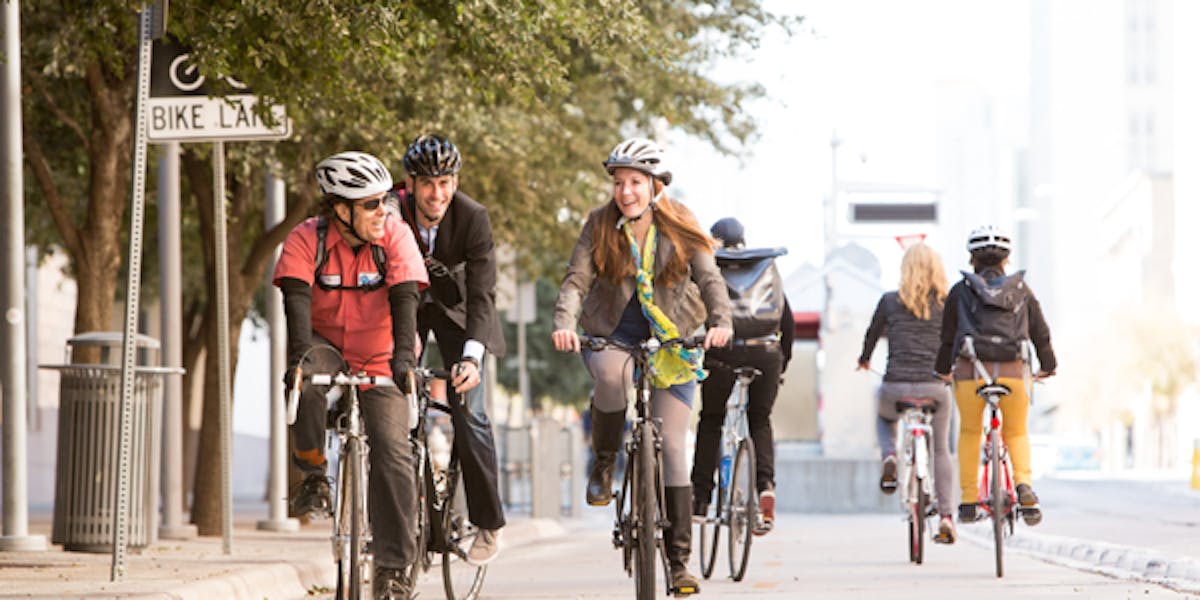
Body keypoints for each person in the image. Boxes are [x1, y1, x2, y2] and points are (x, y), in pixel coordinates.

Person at [552, 137, 733, 596]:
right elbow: (577, 279)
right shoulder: (598, 225)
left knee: (673, 446)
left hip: (674, 339)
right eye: (618, 182)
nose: (625, 191)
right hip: (612, 334)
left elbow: (709, 278)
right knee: (610, 375)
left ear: (656, 186)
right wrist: (565, 323)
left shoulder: (682, 224)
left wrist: (720, 322)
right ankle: (606, 459)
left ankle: (678, 563)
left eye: (635, 181)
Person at [274, 151, 428, 599]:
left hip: (382, 351)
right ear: (341, 209)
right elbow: (296, 311)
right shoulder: (305, 240)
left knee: (392, 451)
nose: (385, 210)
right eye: (371, 204)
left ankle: (394, 568)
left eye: (383, 201)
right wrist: (301, 360)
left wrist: (403, 362)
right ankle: (314, 476)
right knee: (304, 381)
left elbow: (405, 302)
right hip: (326, 346)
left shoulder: (395, 235)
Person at [388, 134, 507, 566]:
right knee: (389, 403)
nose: (437, 194)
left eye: (445, 183)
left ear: (455, 183)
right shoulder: (388, 210)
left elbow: (482, 295)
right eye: (427, 184)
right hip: (407, 311)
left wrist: (473, 358)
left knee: (469, 410)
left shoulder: (473, 217)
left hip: (459, 315)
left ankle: (489, 523)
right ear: (410, 184)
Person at [935, 225, 1057, 527]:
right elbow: (1040, 334)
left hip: (970, 373)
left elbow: (947, 339)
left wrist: (941, 370)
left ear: (972, 258)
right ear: (1006, 258)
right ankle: (1024, 486)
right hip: (1013, 373)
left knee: (970, 432)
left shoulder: (960, 291)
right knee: (1015, 432)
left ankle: (967, 501)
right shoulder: (1021, 289)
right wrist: (1049, 365)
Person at [690, 217, 793, 536]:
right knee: (760, 419)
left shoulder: (708, 267)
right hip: (766, 353)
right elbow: (785, 321)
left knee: (711, 420)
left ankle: (700, 500)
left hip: (723, 353)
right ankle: (766, 488)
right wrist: (782, 365)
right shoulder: (765, 268)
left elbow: (692, 313)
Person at [857, 242, 957, 543]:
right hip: (935, 388)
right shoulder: (948, 304)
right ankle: (947, 517)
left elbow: (871, 336)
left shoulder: (889, 301)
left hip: (895, 386)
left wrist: (864, 360)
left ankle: (889, 455)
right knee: (941, 448)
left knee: (884, 417)